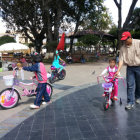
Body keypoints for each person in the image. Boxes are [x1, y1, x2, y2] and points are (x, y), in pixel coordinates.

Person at [115, 31, 140, 110]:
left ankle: (138, 97)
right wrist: (118, 70)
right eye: (123, 40)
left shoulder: (138, 43)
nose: (124, 41)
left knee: (139, 84)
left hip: (139, 67)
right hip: (129, 68)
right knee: (130, 85)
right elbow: (121, 60)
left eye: (126, 39)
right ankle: (130, 102)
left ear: (130, 37)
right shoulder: (122, 48)